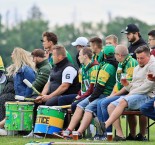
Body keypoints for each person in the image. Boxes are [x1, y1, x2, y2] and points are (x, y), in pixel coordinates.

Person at [101, 45, 155, 141]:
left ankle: (105, 124)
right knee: (110, 106)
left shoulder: (152, 65)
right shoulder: (137, 68)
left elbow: (148, 86)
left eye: (141, 58)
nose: (139, 60)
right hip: (135, 94)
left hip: (148, 95)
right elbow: (133, 86)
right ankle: (120, 135)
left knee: (123, 101)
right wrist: (126, 85)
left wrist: (131, 92)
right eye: (137, 58)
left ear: (148, 56)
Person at [63, 45, 118, 139]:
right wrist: (82, 96)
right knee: (79, 105)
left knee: (89, 108)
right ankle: (70, 131)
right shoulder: (96, 66)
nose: (78, 57)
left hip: (104, 95)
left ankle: (81, 133)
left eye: (80, 55)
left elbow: (99, 87)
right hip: (99, 94)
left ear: (104, 55)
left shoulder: (106, 67)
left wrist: (91, 98)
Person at [95, 45, 138, 140]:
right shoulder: (120, 63)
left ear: (119, 55)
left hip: (130, 94)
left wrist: (113, 96)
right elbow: (118, 83)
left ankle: (107, 133)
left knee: (105, 103)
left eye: (115, 54)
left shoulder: (131, 64)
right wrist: (111, 95)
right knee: (101, 102)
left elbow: (128, 87)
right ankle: (103, 133)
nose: (114, 56)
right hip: (122, 93)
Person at [121, 24, 147, 140]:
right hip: (131, 84)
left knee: (142, 110)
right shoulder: (130, 47)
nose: (127, 36)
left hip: (143, 84)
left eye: (129, 34)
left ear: (136, 33)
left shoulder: (143, 46)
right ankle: (132, 134)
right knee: (129, 107)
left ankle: (142, 134)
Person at [58, 47, 99, 113]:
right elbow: (82, 85)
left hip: (90, 96)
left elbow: (92, 89)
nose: (78, 57)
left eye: (80, 55)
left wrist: (80, 97)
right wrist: (79, 94)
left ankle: (78, 123)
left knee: (74, 105)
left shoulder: (94, 68)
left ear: (85, 56)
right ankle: (65, 123)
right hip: (83, 95)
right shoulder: (82, 68)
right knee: (61, 99)